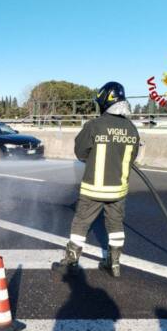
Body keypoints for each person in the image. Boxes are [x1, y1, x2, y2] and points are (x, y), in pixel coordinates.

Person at [52, 82, 140, 278]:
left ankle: (71, 260)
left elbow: (80, 152)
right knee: (116, 224)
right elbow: (133, 157)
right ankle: (114, 263)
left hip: (94, 189)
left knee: (81, 222)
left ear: (104, 101)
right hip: (118, 190)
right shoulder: (132, 128)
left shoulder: (94, 125)